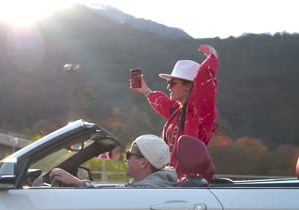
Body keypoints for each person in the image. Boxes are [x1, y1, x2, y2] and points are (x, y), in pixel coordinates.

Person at [131, 45, 219, 177]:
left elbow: (205, 87)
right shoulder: (177, 111)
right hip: (170, 179)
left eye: (172, 83)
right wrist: (145, 90)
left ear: (188, 86)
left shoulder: (199, 113)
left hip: (185, 182)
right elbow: (162, 102)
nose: (168, 87)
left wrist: (212, 60)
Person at [50, 135, 178, 188]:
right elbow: (118, 191)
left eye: (129, 155)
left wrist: (79, 183)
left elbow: (115, 197)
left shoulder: (147, 190)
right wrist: (80, 184)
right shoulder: (149, 186)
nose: (125, 159)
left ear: (143, 162)